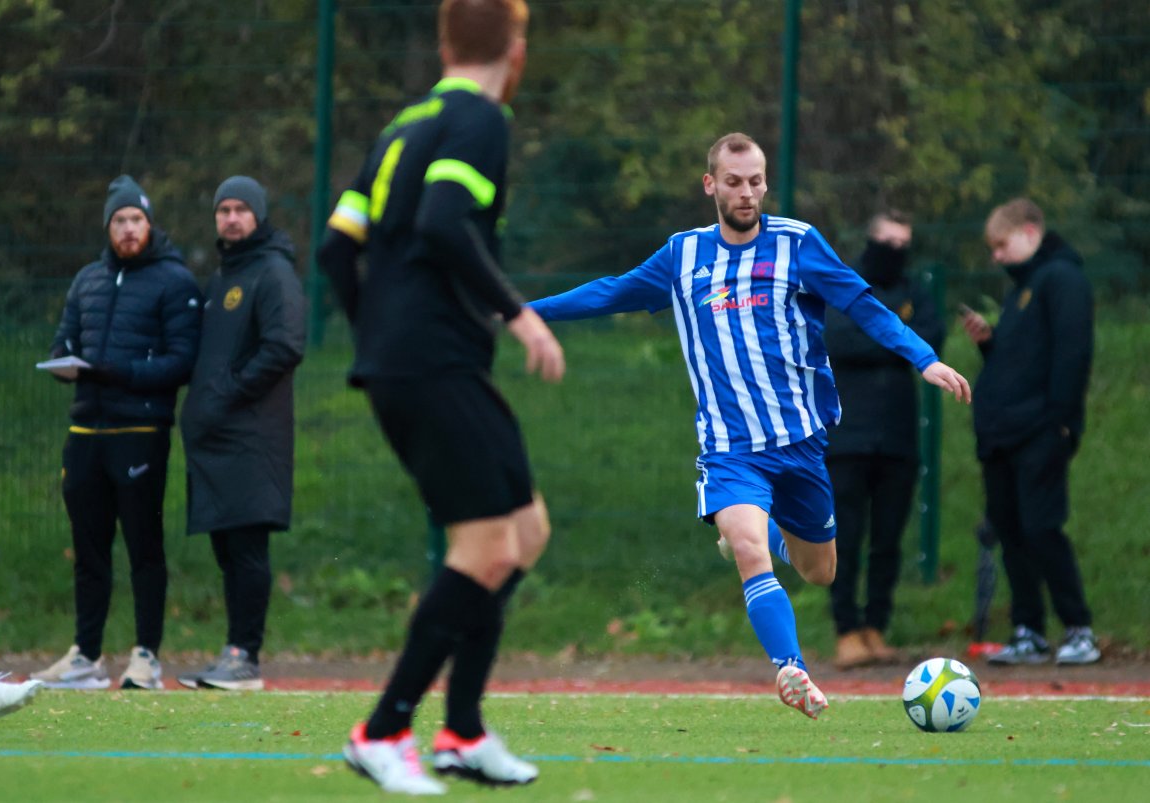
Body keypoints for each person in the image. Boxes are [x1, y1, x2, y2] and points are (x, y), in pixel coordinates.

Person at [528, 133, 970, 717]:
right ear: (710, 185)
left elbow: (862, 304)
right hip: (730, 448)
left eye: (756, 180)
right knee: (746, 548)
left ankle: (772, 535)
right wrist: (524, 312)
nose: (747, 192)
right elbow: (610, 293)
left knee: (820, 570)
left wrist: (925, 358)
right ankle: (792, 670)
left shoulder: (798, 245)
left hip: (801, 444)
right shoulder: (682, 256)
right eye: (734, 181)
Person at [316, 0, 564, 794]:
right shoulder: (481, 121)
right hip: (431, 363)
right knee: (488, 546)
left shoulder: (403, 126)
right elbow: (443, 222)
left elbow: (332, 248)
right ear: (516, 50)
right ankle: (382, 730)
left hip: (419, 361)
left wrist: (375, 338)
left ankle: (462, 729)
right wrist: (522, 317)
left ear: (444, 42)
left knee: (524, 529)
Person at [33, 175, 202, 690]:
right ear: (108, 227)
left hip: (139, 430)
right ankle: (86, 655)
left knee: (143, 547)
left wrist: (121, 373)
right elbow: (66, 338)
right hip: (85, 430)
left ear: (150, 224)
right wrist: (68, 361)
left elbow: (182, 361)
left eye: (136, 220)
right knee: (89, 549)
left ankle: (146, 656)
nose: (128, 229)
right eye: (119, 221)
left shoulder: (175, 282)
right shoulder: (87, 280)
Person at [176, 176, 306, 691]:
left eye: (240, 210)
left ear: (258, 215)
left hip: (252, 440)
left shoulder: (273, 272)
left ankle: (244, 657)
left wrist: (228, 392)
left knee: (247, 549)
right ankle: (232, 652)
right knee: (228, 550)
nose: (231, 218)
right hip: (215, 442)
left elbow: (285, 345)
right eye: (223, 210)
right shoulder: (223, 277)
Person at [961, 197, 1099, 665]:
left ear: (1030, 231)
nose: (997, 256)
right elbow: (1020, 362)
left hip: (1040, 430)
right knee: (1011, 529)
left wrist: (1061, 422)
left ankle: (1079, 629)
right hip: (1002, 434)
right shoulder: (1022, 291)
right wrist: (990, 345)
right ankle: (1029, 632)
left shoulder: (1062, 280)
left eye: (1002, 244)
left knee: (1042, 528)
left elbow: (1071, 354)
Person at [822, 211, 945, 668]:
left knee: (888, 541)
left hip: (898, 440)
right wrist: (896, 340)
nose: (897, 251)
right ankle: (846, 630)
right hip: (846, 440)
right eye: (889, 242)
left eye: (904, 243)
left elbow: (932, 337)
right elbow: (836, 339)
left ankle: (876, 627)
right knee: (845, 537)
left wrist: (883, 340)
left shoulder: (916, 291)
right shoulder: (843, 286)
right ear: (871, 241)